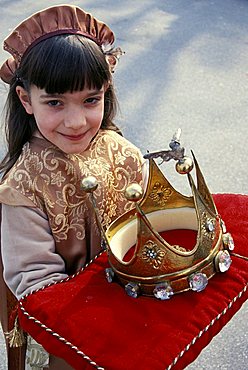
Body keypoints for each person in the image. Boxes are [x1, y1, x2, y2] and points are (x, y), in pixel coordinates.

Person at [0, 4, 145, 369]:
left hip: (137, 313)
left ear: (106, 88)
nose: (76, 121)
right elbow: (34, 280)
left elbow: (150, 223)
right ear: (25, 99)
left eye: (90, 100)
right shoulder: (22, 186)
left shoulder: (122, 152)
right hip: (68, 340)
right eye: (54, 102)